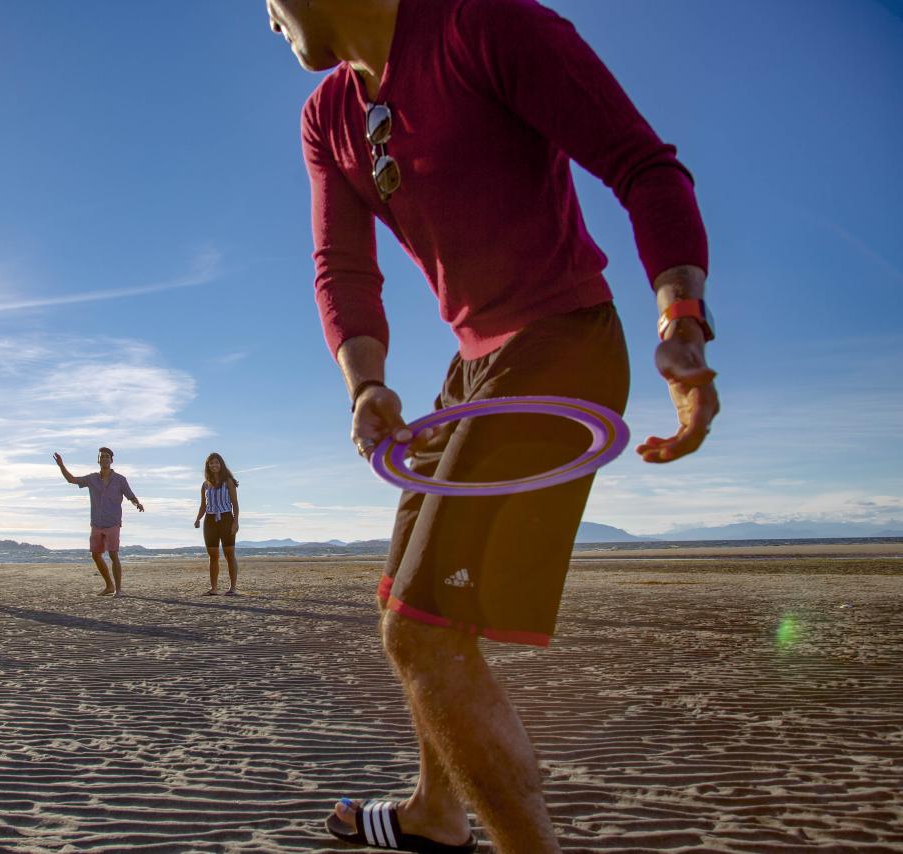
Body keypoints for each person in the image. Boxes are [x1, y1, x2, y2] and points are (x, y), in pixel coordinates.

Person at [267, 0, 720, 851]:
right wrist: (365, 386)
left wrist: (681, 324)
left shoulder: (486, 25)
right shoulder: (326, 114)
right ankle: (435, 812)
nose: (266, 18)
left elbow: (645, 168)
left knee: (422, 632)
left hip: (563, 346)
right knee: (408, 603)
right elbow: (342, 266)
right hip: (471, 373)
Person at [53, 448, 144, 597]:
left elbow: (130, 496)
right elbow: (72, 480)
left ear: (111, 460)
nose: (105, 459)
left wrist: (137, 504)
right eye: (102, 457)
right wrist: (61, 466)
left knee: (113, 554)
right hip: (96, 523)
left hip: (112, 522)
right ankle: (109, 585)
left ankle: (118, 589)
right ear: (98, 460)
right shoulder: (92, 478)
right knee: (95, 554)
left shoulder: (120, 479)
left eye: (107, 457)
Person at [192, 452, 240, 595]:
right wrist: (198, 519)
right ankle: (213, 588)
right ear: (208, 466)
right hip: (210, 521)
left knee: (229, 555)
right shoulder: (205, 485)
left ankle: (233, 588)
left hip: (226, 519)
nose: (214, 465)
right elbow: (203, 506)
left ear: (221, 464)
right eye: (211, 463)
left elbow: (235, 504)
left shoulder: (228, 482)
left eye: (216, 463)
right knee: (213, 556)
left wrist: (235, 522)